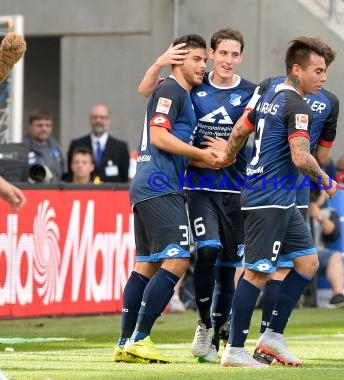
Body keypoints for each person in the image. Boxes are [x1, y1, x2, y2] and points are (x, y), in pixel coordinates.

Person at [138, 27, 257, 363]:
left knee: (230, 265)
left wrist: (232, 149)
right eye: (222, 54)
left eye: (235, 55)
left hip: (234, 188)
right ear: (212, 55)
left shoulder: (251, 92)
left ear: (241, 57)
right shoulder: (192, 85)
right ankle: (204, 324)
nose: (228, 61)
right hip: (198, 185)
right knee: (208, 250)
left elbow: (258, 136)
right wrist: (160, 61)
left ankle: (220, 326)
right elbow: (146, 90)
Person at [217, 36, 337, 368]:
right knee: (257, 273)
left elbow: (241, 130)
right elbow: (301, 157)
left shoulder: (269, 92)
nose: (323, 79)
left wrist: (226, 156)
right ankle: (235, 350)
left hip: (280, 198)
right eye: (318, 71)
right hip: (268, 197)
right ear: (297, 70)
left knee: (307, 263)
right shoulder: (297, 105)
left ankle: (272, 337)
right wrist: (325, 180)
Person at [113, 33, 224, 364]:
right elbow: (160, 136)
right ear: (179, 60)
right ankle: (141, 337)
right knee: (176, 260)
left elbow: (143, 91)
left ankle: (124, 341)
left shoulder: (176, 93)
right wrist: (201, 155)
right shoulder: (172, 90)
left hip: (149, 184)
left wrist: (204, 156)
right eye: (197, 60)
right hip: (161, 185)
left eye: (205, 60)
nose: (203, 66)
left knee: (146, 265)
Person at [307, 186, 344, 308]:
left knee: (335, 256)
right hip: (296, 254)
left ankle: (338, 296)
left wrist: (319, 216)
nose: (313, 197)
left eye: (316, 193)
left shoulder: (329, 212)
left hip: (318, 254)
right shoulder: (295, 207)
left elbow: (334, 234)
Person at [66, 104, 130, 182]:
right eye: (95, 117)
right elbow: (70, 175)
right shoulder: (76, 145)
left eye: (102, 117)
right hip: (84, 192)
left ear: (108, 120)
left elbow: (124, 178)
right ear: (90, 119)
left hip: (111, 192)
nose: (98, 120)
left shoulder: (121, 147)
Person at [23, 109, 64, 183]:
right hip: (30, 192)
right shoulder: (22, 149)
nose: (44, 129)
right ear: (30, 127)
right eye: (39, 125)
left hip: (54, 192)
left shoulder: (56, 148)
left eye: (48, 125)